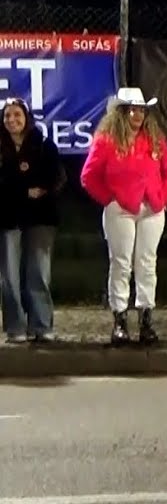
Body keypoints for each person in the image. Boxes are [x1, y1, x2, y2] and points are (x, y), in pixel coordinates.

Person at [80, 87, 167, 345]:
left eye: (141, 110)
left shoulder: (155, 139)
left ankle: (146, 319)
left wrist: (163, 197)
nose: (138, 114)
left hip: (152, 208)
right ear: (122, 112)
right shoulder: (107, 140)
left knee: (147, 262)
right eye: (133, 109)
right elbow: (88, 176)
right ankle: (120, 320)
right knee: (121, 263)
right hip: (121, 208)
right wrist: (110, 199)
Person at [0, 97, 65, 343]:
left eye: (17, 114)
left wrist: (40, 189)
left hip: (41, 218)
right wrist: (24, 190)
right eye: (7, 115)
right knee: (9, 277)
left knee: (37, 273)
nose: (12, 120)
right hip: (7, 220)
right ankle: (15, 328)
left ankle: (41, 326)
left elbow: (55, 177)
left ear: (26, 117)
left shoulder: (43, 145)